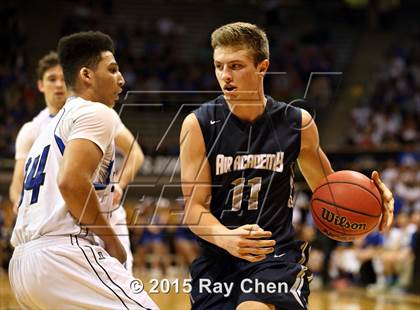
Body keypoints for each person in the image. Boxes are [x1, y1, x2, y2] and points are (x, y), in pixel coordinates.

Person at [179, 22, 394, 310]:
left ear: (262, 67)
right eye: (219, 66)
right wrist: (227, 238)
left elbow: (331, 191)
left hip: (276, 258)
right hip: (217, 262)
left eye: (236, 66)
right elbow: (194, 210)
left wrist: (377, 200)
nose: (225, 76)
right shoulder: (199, 125)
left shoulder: (297, 123)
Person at [8, 31, 157, 309]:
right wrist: (111, 241)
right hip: (64, 254)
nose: (122, 79)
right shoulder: (97, 112)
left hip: (24, 265)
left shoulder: (43, 129)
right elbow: (71, 182)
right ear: (87, 75)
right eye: (112, 70)